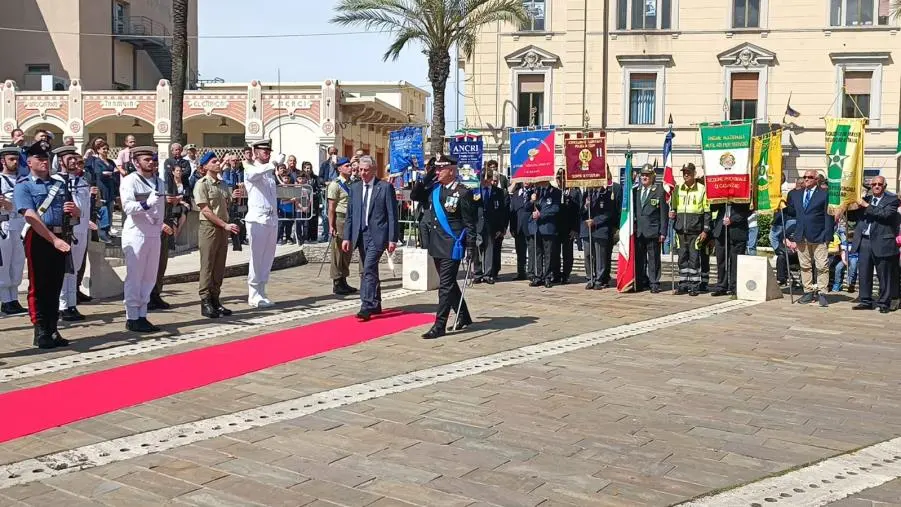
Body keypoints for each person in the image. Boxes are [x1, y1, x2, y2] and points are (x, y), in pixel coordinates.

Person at [14, 141, 77, 348]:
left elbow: (72, 215)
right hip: (40, 238)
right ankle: (40, 330)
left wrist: (77, 213)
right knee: (39, 285)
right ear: (29, 162)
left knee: (55, 284)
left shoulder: (59, 184)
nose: (44, 162)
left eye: (46, 159)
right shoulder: (24, 185)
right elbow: (30, 216)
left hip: (61, 237)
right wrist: (54, 240)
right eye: (40, 159)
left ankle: (52, 328)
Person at [411, 155, 476, 339]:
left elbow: (469, 223)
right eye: (436, 169)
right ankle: (464, 314)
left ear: (452, 170)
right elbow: (415, 195)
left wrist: (470, 247)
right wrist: (427, 176)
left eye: (441, 169)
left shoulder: (462, 192)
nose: (437, 172)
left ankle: (439, 325)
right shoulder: (434, 189)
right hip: (436, 244)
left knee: (445, 286)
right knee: (448, 283)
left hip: (452, 244)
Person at [120, 146, 171, 332]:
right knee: (135, 276)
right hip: (136, 233)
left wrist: (161, 222)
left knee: (150, 276)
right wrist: (146, 203)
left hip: (154, 232)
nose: (151, 162)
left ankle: (142, 313)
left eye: (152, 159)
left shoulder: (160, 182)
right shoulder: (130, 181)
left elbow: (161, 208)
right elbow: (128, 207)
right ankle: (132, 316)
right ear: (135, 162)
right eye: (146, 159)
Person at [341, 156, 398, 321]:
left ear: (374, 170)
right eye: (360, 170)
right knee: (370, 270)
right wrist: (347, 237)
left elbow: (392, 215)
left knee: (368, 269)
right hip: (361, 235)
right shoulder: (355, 188)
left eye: (366, 170)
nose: (363, 173)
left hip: (378, 235)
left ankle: (366, 305)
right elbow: (350, 215)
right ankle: (376, 303)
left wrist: (392, 239)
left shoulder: (385, 187)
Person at [193, 151, 241, 318]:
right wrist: (224, 225)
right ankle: (205, 301)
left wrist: (234, 196)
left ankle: (215, 298)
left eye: (218, 161)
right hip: (209, 228)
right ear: (205, 166)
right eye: (213, 161)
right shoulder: (202, 184)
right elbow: (205, 210)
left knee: (219, 266)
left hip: (223, 228)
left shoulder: (222, 184)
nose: (218, 163)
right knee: (207, 265)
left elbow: (226, 204)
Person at [848, 176, 900, 313]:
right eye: (874, 184)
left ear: (884, 186)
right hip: (864, 240)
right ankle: (865, 300)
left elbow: (885, 215)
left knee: (883, 275)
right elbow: (853, 218)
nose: (876, 186)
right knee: (864, 273)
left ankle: (884, 303)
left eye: (879, 184)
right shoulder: (866, 199)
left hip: (882, 242)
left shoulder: (892, 200)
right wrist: (849, 205)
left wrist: (867, 206)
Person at [783, 169, 833, 306]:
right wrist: (781, 206)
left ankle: (822, 292)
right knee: (804, 265)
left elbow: (828, 216)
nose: (806, 179)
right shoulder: (796, 194)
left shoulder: (824, 194)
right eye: (804, 177)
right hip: (801, 234)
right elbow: (792, 212)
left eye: (810, 177)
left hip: (819, 235)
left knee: (822, 265)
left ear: (816, 179)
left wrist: (828, 236)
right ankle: (808, 291)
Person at [244, 140, 285, 307]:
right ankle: (253, 294)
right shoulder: (250, 168)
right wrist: (274, 163)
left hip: (271, 218)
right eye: (263, 151)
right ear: (255, 152)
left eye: (269, 151)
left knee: (267, 257)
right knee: (257, 257)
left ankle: (262, 290)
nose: (267, 153)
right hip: (257, 219)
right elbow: (254, 175)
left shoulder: (268, 172)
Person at [54, 146, 92, 322]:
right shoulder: (54, 180)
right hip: (64, 230)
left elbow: (85, 208)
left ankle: (71, 303)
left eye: (75, 158)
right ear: (60, 161)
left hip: (81, 229)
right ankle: (61, 305)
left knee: (74, 269)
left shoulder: (82, 181)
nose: (73, 161)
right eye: (69, 158)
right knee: (63, 268)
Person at [669, 163, 711, 296]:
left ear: (694, 173)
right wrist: (672, 213)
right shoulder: (678, 189)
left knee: (694, 259)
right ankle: (683, 284)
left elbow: (707, 211)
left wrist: (705, 230)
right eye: (684, 172)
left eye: (688, 172)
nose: (686, 174)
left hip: (695, 231)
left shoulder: (702, 189)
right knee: (682, 258)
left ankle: (694, 285)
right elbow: (674, 208)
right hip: (681, 230)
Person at [576, 179, 622, 290]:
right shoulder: (587, 193)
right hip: (587, 229)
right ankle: (590, 278)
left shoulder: (606, 193)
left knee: (600, 256)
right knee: (587, 255)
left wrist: (595, 221)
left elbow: (608, 213)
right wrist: (586, 206)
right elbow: (581, 211)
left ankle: (599, 279)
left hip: (600, 229)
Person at [0, 146, 27, 315]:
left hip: (21, 225)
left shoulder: (21, 180)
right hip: (5, 225)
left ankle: (14, 298)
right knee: (4, 264)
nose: (15, 162)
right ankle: (5, 299)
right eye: (11, 159)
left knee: (17, 263)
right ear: (3, 161)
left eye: (16, 159)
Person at [634, 165, 668, 293]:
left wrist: (663, 232)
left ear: (653, 176)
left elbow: (663, 214)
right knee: (639, 259)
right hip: (639, 231)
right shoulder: (636, 191)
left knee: (653, 259)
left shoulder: (659, 191)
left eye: (647, 175)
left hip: (653, 231)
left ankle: (654, 282)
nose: (644, 177)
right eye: (642, 175)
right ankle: (641, 281)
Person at [327, 157, 358, 296]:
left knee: (347, 251)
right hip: (340, 219)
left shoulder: (352, 183)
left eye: (350, 165)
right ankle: (337, 281)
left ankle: (344, 279)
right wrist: (331, 225)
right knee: (338, 251)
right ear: (339, 168)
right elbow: (331, 208)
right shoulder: (335, 185)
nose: (350, 167)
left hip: (350, 220)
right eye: (346, 166)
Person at [710, 201, 751, 297]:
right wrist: (721, 199)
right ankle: (721, 286)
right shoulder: (721, 195)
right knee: (721, 260)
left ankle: (734, 287)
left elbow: (748, 211)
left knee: (736, 261)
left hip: (737, 231)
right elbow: (713, 207)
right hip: (721, 231)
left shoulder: (743, 194)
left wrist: (732, 219)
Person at [474, 170, 508, 284]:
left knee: (489, 249)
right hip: (478, 223)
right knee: (477, 249)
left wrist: (501, 227)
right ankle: (477, 273)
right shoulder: (475, 190)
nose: (485, 181)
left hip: (491, 224)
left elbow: (501, 211)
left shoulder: (498, 192)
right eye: (483, 178)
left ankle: (488, 274)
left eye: (487, 178)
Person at [528, 180, 561, 288]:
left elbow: (555, 208)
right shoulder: (534, 191)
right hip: (536, 227)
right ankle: (538, 276)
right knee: (537, 253)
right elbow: (526, 208)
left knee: (548, 253)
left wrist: (541, 215)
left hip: (547, 227)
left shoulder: (555, 191)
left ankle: (548, 276)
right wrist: (531, 201)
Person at [508, 181, 532, 280]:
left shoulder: (534, 192)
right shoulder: (516, 194)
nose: (526, 182)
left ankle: (531, 272)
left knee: (531, 251)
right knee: (520, 251)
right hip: (518, 227)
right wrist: (512, 227)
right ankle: (521, 272)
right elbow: (512, 213)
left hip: (530, 227)